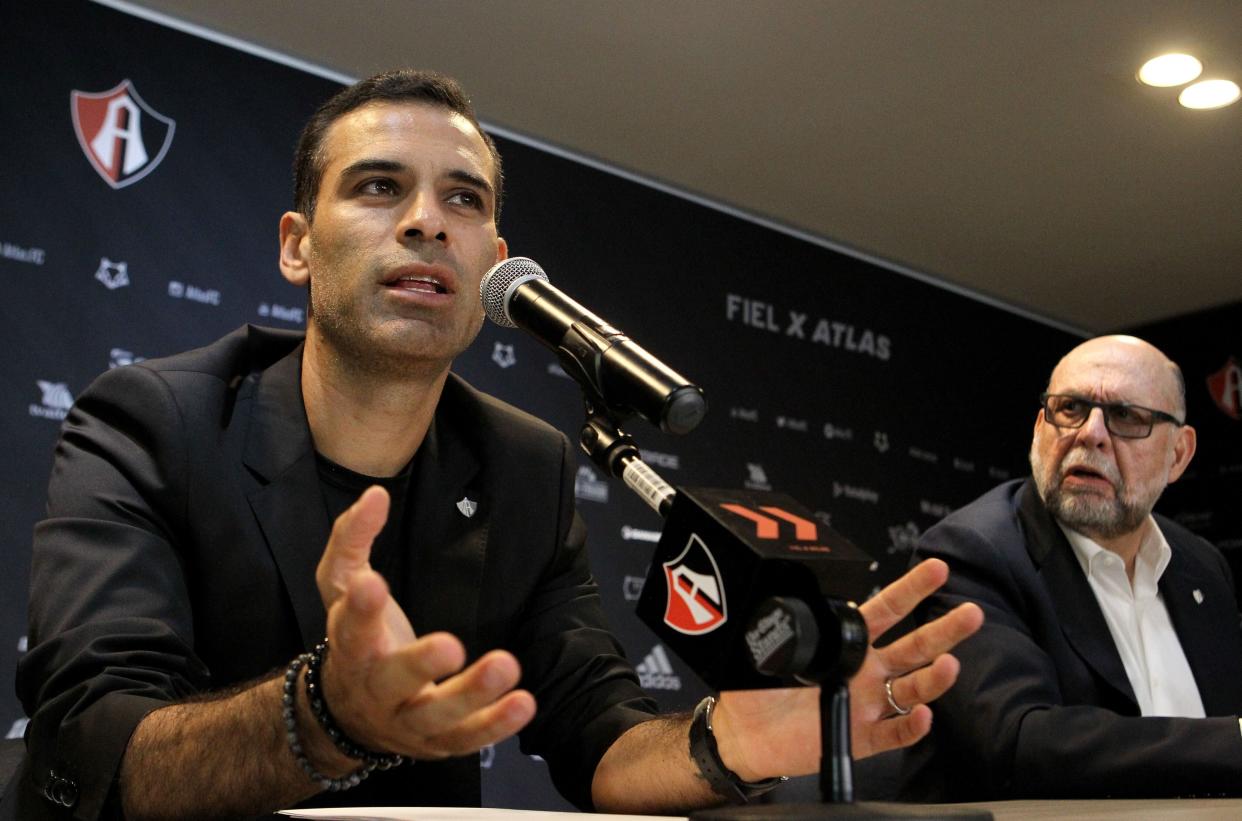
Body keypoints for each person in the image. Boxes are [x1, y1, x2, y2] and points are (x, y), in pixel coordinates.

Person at [4, 69, 982, 820]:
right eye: (381, 186)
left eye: (464, 200)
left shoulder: (526, 462)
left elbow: (595, 734)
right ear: (298, 243)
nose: (428, 221)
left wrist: (722, 742)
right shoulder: (150, 419)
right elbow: (88, 744)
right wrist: (323, 713)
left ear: (494, 267)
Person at [900, 335, 1242, 801]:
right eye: (1070, 409)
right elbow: (1019, 744)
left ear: (1178, 455)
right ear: (1040, 428)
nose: (1091, 433)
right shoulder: (970, 554)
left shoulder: (1201, 565)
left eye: (1125, 416)